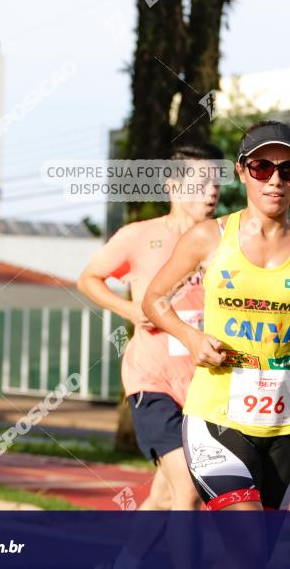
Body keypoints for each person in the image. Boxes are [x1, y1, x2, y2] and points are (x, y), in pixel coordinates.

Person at [143, 120, 290, 514]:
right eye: (262, 167)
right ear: (242, 171)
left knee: (255, 551)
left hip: (283, 423)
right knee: (247, 534)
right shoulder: (209, 237)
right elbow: (154, 299)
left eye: (287, 170)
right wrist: (191, 338)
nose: (275, 180)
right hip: (216, 416)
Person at [78, 144, 223, 511]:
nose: (212, 191)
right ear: (173, 187)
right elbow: (89, 278)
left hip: (204, 383)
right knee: (189, 488)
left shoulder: (228, 239)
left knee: (163, 496)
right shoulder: (139, 236)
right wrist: (128, 308)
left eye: (216, 182)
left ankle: (130, 560)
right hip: (152, 380)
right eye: (201, 182)